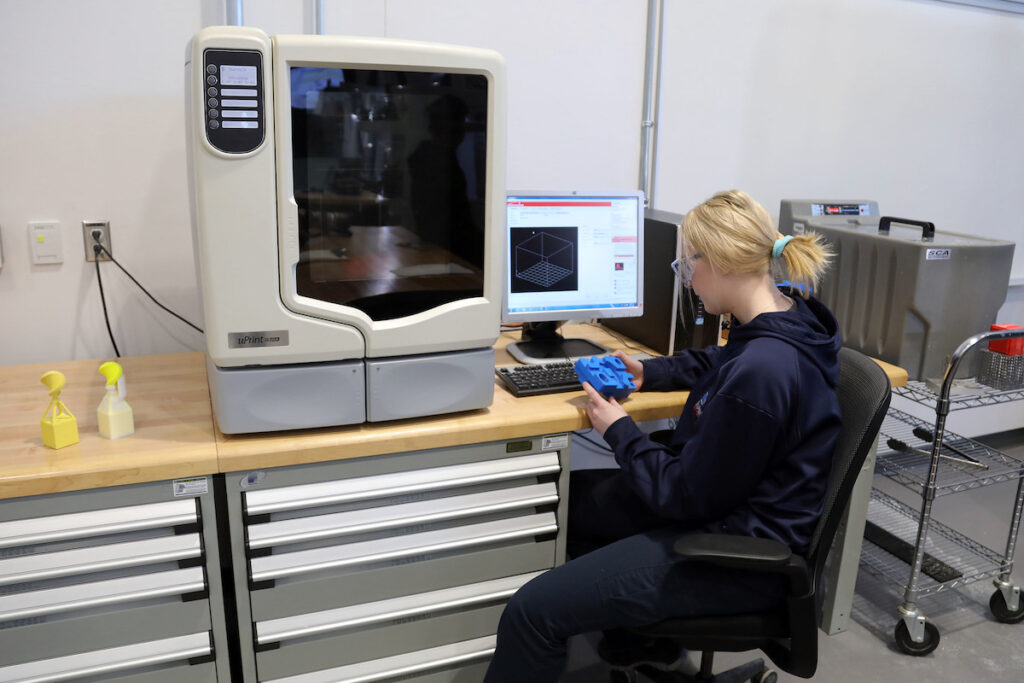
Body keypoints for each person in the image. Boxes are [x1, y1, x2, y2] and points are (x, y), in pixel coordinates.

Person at [483, 190, 842, 682]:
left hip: (734, 556)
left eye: (686, 266)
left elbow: (682, 496)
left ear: (715, 260)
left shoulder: (764, 369)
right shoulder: (786, 321)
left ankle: (620, 625)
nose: (688, 281)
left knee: (531, 613)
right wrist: (650, 373)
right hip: (727, 510)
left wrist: (620, 431)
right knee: (570, 506)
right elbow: (722, 360)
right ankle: (640, 643)